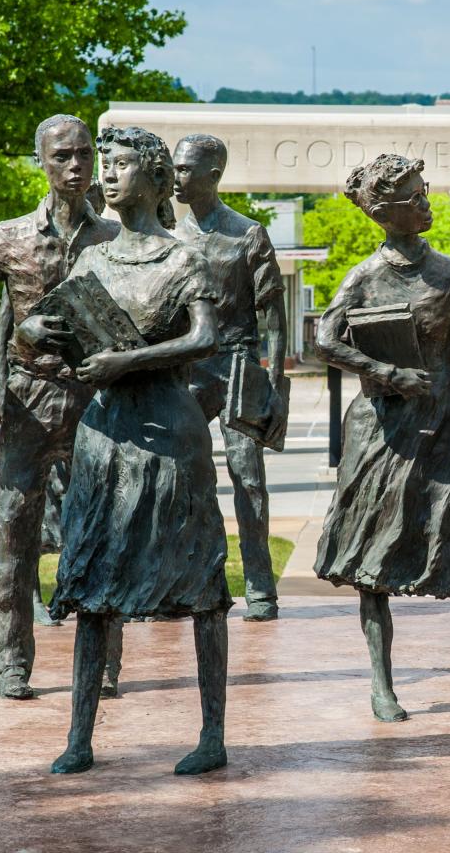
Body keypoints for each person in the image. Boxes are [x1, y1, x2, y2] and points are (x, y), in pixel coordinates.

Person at [18, 126, 231, 776]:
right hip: (105, 438)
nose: (106, 175)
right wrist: (32, 331)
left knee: (200, 586)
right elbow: (53, 326)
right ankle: (79, 737)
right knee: (91, 584)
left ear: (157, 177)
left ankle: (212, 736)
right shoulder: (93, 260)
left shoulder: (185, 259)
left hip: (169, 436)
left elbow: (207, 339)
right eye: (103, 165)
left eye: (120, 165)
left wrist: (128, 361)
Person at [313, 154, 450, 724]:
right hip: (383, 432)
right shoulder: (363, 277)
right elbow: (324, 340)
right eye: (414, 197)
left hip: (448, 426)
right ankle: (382, 685)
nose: (425, 204)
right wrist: (386, 372)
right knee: (373, 560)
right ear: (383, 212)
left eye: (425, 192)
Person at [0, 114, 117, 700]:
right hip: (29, 401)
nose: (76, 166)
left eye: (84, 154)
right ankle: (10, 662)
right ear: (41, 161)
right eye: (63, 156)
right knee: (14, 528)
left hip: (97, 400)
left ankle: (103, 663)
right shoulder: (7, 238)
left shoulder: (115, 239)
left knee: (103, 532)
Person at [173, 133, 288, 622]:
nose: (175, 177)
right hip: (188, 371)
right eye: (174, 168)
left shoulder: (247, 234)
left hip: (239, 367)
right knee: (179, 477)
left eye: (185, 169)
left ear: (213, 175)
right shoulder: (169, 237)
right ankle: (188, 581)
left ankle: (260, 588)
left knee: (249, 481)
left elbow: (274, 317)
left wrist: (276, 385)